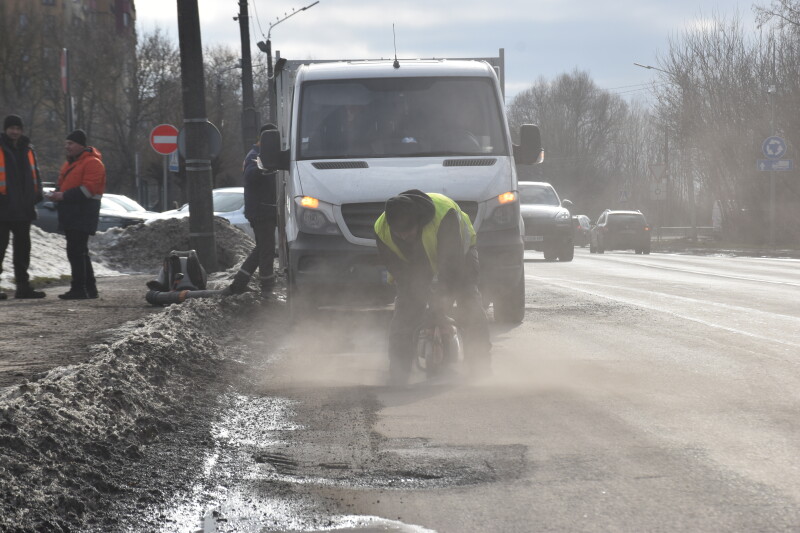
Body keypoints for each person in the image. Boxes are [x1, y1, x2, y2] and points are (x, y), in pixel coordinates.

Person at [373, 189, 491, 385]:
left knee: (468, 301)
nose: (403, 236)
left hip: (459, 254)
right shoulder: (381, 229)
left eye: (408, 230)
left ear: (419, 222)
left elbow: (451, 269)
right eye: (398, 232)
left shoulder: (445, 217)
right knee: (405, 310)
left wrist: (439, 307)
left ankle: (481, 367)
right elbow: (401, 273)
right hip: (414, 262)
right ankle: (399, 372)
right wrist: (420, 298)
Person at [47, 129, 105, 300]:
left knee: (76, 251)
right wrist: (56, 193)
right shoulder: (71, 163)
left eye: (70, 143)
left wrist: (62, 195)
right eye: (66, 143)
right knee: (80, 251)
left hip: (83, 214)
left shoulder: (93, 163)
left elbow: (88, 190)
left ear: (81, 145)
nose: (67, 147)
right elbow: (64, 184)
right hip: (72, 214)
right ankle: (89, 288)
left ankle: (79, 288)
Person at [227, 124, 278, 298]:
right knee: (266, 250)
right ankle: (267, 289)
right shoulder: (255, 156)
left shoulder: (261, 155)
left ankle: (240, 283)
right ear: (265, 139)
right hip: (261, 212)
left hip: (264, 210)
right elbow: (250, 175)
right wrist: (265, 167)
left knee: (263, 248)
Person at [0, 114, 46, 299]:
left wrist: (37, 194)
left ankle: (23, 287)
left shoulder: (28, 149)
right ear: (5, 129)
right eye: (12, 128)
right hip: (3, 208)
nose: (15, 131)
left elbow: (36, 174)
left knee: (22, 251)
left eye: (18, 128)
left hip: (23, 209)